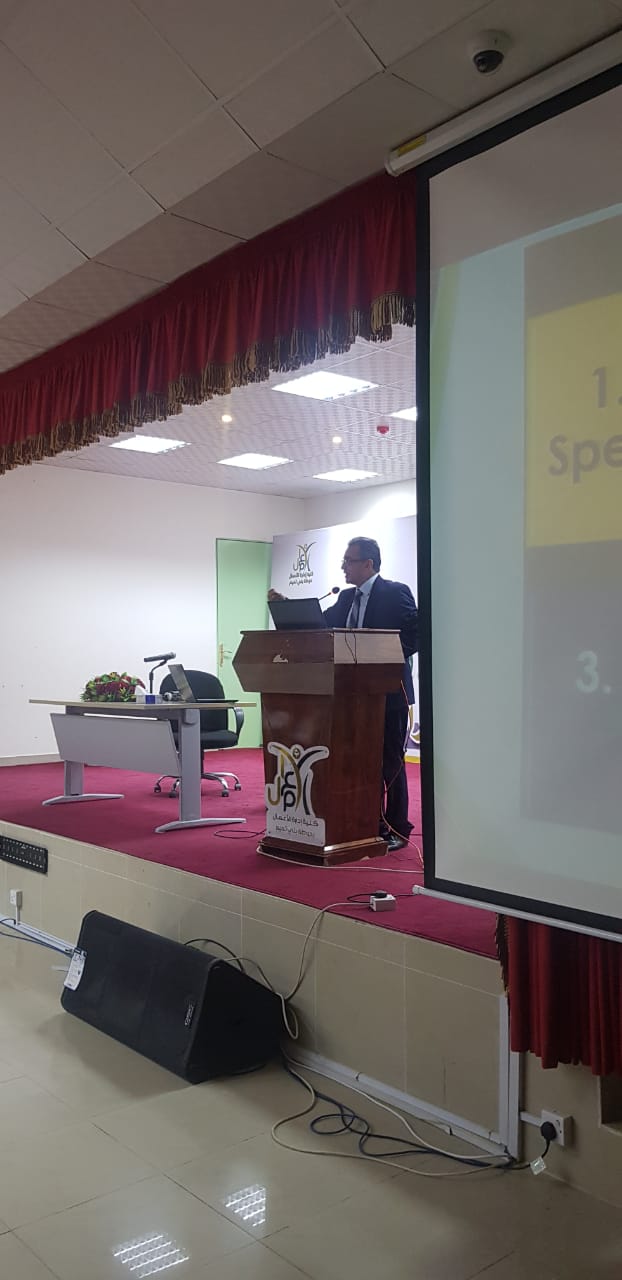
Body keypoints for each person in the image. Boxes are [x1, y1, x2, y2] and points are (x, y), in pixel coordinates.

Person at [269, 536, 418, 851]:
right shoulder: (346, 597)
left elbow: (415, 634)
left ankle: (397, 828)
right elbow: (320, 628)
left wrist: (381, 657)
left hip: (388, 694)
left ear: (368, 564)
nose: (343, 567)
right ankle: (367, 823)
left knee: (390, 762)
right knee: (357, 762)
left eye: (349, 561)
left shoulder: (395, 592)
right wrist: (286, 607)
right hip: (350, 697)